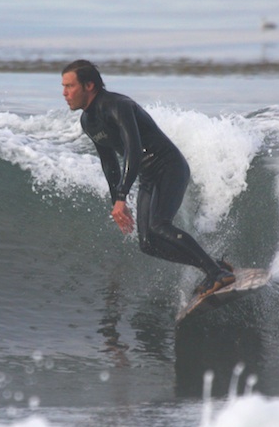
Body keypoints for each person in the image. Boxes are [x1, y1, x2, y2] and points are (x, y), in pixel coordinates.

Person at [61, 59, 235, 296]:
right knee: (148, 243)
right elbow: (109, 163)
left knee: (159, 225)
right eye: (64, 87)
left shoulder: (117, 105)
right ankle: (214, 266)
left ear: (89, 85)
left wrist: (123, 196)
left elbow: (133, 148)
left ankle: (217, 274)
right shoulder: (87, 121)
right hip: (148, 176)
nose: (65, 93)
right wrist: (117, 203)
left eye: (70, 86)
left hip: (168, 165)